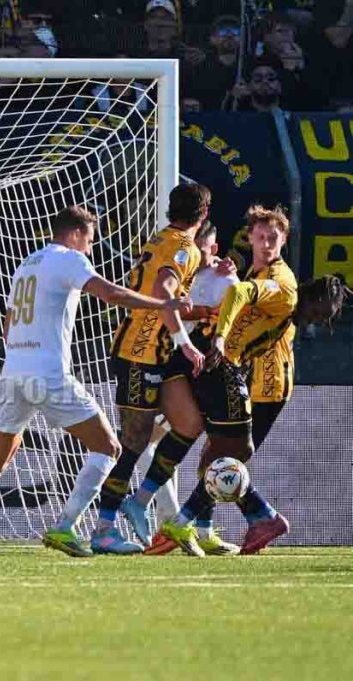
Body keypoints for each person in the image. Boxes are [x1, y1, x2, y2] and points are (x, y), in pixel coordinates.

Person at [0, 205, 193, 557]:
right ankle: (66, 528)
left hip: (13, 372)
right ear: (75, 234)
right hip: (48, 374)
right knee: (109, 448)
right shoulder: (69, 259)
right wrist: (162, 305)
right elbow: (111, 294)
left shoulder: (26, 264)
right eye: (90, 241)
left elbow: (7, 328)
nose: (90, 249)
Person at [150, 204, 298, 556]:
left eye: (273, 238)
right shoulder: (251, 272)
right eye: (260, 237)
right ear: (251, 239)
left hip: (267, 383)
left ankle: (185, 521)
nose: (266, 244)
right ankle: (237, 522)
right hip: (237, 373)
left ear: (284, 240)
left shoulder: (281, 281)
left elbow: (239, 295)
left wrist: (218, 338)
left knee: (228, 457)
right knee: (218, 456)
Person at [88, 182, 209, 555]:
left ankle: (140, 501)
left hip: (153, 353)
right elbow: (163, 290)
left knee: (189, 424)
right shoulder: (185, 247)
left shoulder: (160, 239)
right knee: (134, 442)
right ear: (204, 213)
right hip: (139, 352)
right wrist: (185, 342)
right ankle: (104, 528)